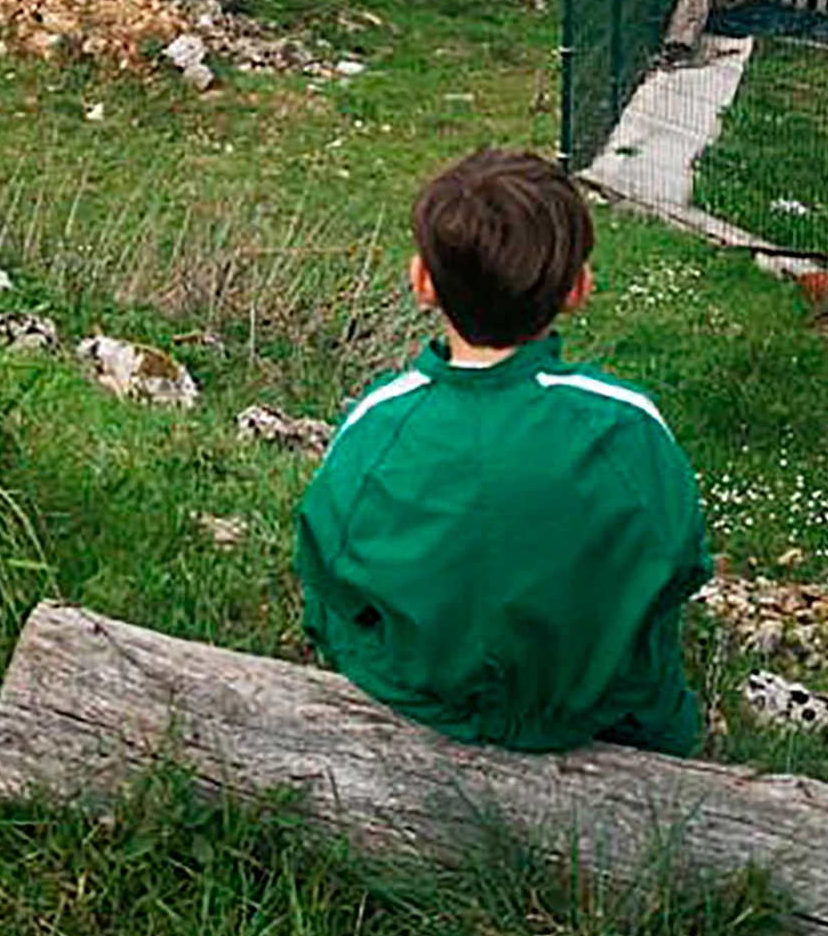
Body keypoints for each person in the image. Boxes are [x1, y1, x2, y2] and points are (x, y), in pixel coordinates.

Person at [295, 149, 712, 755]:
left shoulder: (380, 419)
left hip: (416, 693)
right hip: (596, 711)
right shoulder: (625, 423)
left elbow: (324, 563)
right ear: (577, 288)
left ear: (423, 282)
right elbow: (682, 561)